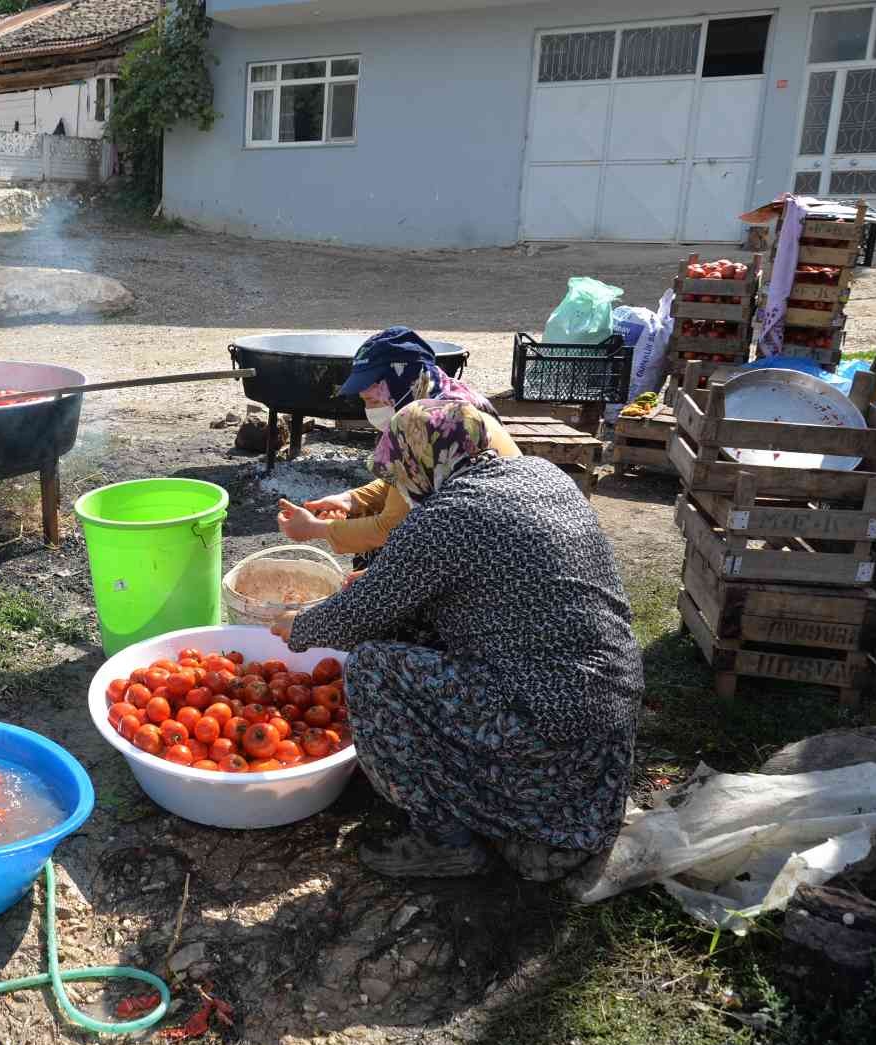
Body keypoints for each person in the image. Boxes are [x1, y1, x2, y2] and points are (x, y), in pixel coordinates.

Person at [270, 401, 641, 881]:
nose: (399, 484)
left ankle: (443, 839)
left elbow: (359, 615)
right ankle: (542, 817)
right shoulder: (542, 477)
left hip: (545, 725)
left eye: (400, 469)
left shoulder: (447, 518)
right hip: (604, 710)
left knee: (372, 668)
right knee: (407, 628)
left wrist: (299, 627)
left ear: (419, 462)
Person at [276, 327, 519, 568]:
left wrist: (313, 529)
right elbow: (412, 478)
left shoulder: (434, 423)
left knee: (382, 560)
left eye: (372, 400)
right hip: (493, 531)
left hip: (494, 551)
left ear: (401, 381)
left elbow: (389, 529)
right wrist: (351, 500)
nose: (370, 410)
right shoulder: (450, 397)